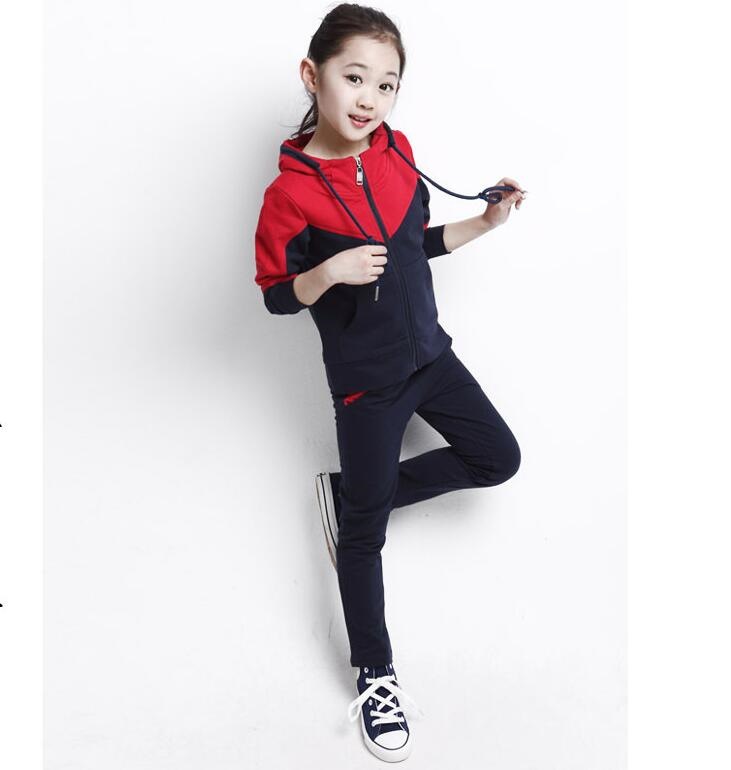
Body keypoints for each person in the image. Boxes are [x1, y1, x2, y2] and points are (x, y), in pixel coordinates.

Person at [253, 3, 526, 762]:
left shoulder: (398, 152)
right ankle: (375, 674)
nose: (370, 98)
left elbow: (412, 247)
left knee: (497, 457)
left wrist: (485, 223)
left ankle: (351, 496)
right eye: (354, 77)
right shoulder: (289, 196)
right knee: (364, 541)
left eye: (386, 84)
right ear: (313, 76)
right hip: (366, 386)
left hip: (430, 358)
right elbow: (275, 294)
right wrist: (327, 272)